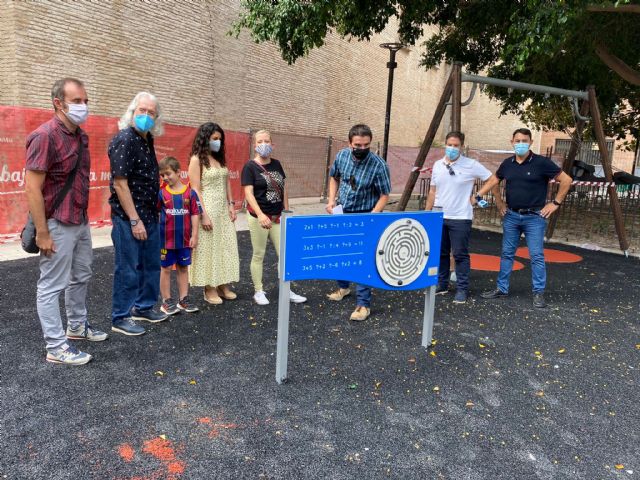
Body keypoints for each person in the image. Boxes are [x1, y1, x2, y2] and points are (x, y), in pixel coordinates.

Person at [24, 77, 107, 365]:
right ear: (58, 103)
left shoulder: (81, 136)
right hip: (56, 223)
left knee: (81, 274)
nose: (84, 106)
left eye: (86, 101)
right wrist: (42, 232)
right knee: (51, 285)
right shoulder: (44, 136)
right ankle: (56, 347)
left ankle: (76, 326)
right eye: (77, 101)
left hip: (79, 220)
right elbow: (32, 188)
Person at [476, 128, 573, 308]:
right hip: (512, 216)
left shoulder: (542, 163)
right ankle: (501, 288)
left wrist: (555, 203)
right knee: (507, 254)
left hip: (534, 217)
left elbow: (566, 180)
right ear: (512, 142)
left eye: (524, 141)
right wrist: (485, 197)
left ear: (531, 142)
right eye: (517, 140)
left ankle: (538, 293)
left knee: (536, 256)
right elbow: (494, 181)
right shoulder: (507, 164)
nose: (521, 144)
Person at [108, 91, 167, 335]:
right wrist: (134, 220)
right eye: (142, 110)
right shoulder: (125, 139)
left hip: (150, 215)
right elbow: (120, 184)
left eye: (151, 113)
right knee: (128, 268)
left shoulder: (146, 140)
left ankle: (143, 307)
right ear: (132, 112)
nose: (146, 116)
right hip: (128, 217)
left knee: (151, 265)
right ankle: (120, 316)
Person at [425, 131, 502, 304]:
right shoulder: (438, 165)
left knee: (460, 254)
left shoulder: (470, 164)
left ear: (462, 147)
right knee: (441, 253)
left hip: (460, 217)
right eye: (449, 145)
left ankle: (462, 289)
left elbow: (492, 179)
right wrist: (427, 213)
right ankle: (442, 284)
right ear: (445, 144)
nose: (452, 148)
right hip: (439, 215)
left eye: (456, 145)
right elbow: (432, 191)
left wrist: (477, 196)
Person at [325, 124, 391, 321]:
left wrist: (373, 215)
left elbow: (385, 194)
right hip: (342, 212)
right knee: (341, 252)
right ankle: (343, 287)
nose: (362, 148)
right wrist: (331, 200)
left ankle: (363, 304)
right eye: (358, 145)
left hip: (365, 215)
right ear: (349, 143)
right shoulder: (342, 156)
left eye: (366, 145)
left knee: (363, 259)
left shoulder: (379, 165)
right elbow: (334, 178)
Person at [241, 129, 307, 305]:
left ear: (273, 144)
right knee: (259, 254)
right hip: (259, 217)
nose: (264, 144)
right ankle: (258, 291)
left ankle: (286, 289)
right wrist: (260, 215)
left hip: (278, 217)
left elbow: (283, 189)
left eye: (267, 141)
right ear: (255, 145)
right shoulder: (249, 167)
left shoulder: (277, 164)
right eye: (260, 141)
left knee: (284, 254)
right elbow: (248, 194)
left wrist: (287, 212)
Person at [187, 123, 240, 304]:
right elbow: (195, 190)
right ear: (205, 138)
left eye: (220, 139)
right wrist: (203, 215)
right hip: (207, 209)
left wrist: (231, 205)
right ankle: (209, 288)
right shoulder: (196, 160)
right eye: (214, 138)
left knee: (225, 246)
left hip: (223, 211)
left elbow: (227, 183)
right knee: (208, 248)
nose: (218, 142)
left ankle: (222, 284)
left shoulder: (219, 158)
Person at [158, 156, 202, 315]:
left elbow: (195, 214)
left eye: (168, 173)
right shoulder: (161, 194)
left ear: (178, 172)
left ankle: (183, 300)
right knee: (165, 269)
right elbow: (156, 213)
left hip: (184, 240)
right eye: (162, 175)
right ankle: (166, 301)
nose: (165, 177)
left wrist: (194, 235)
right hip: (166, 241)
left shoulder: (190, 193)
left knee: (183, 268)